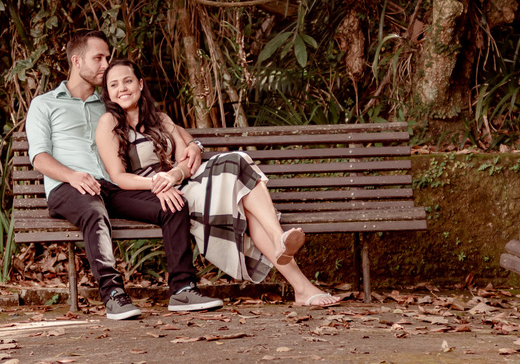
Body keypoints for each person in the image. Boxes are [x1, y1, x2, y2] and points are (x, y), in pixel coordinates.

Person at [95, 58, 342, 308]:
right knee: (240, 169)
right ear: (108, 93)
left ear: (140, 83)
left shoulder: (161, 119)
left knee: (242, 182)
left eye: (127, 81)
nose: (122, 88)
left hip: (184, 182)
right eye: (114, 85)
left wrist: (174, 175)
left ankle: (296, 275)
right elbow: (118, 177)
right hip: (158, 193)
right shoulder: (109, 123)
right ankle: (295, 272)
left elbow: (184, 160)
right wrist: (160, 183)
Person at [25, 31, 224, 319]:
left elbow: (159, 122)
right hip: (68, 188)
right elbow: (39, 157)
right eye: (99, 58)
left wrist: (192, 143)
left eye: (107, 57)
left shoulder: (109, 104)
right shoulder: (44, 104)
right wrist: (72, 176)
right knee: (93, 209)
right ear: (76, 61)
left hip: (111, 185)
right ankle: (114, 294)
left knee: (173, 204)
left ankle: (182, 289)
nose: (106, 64)